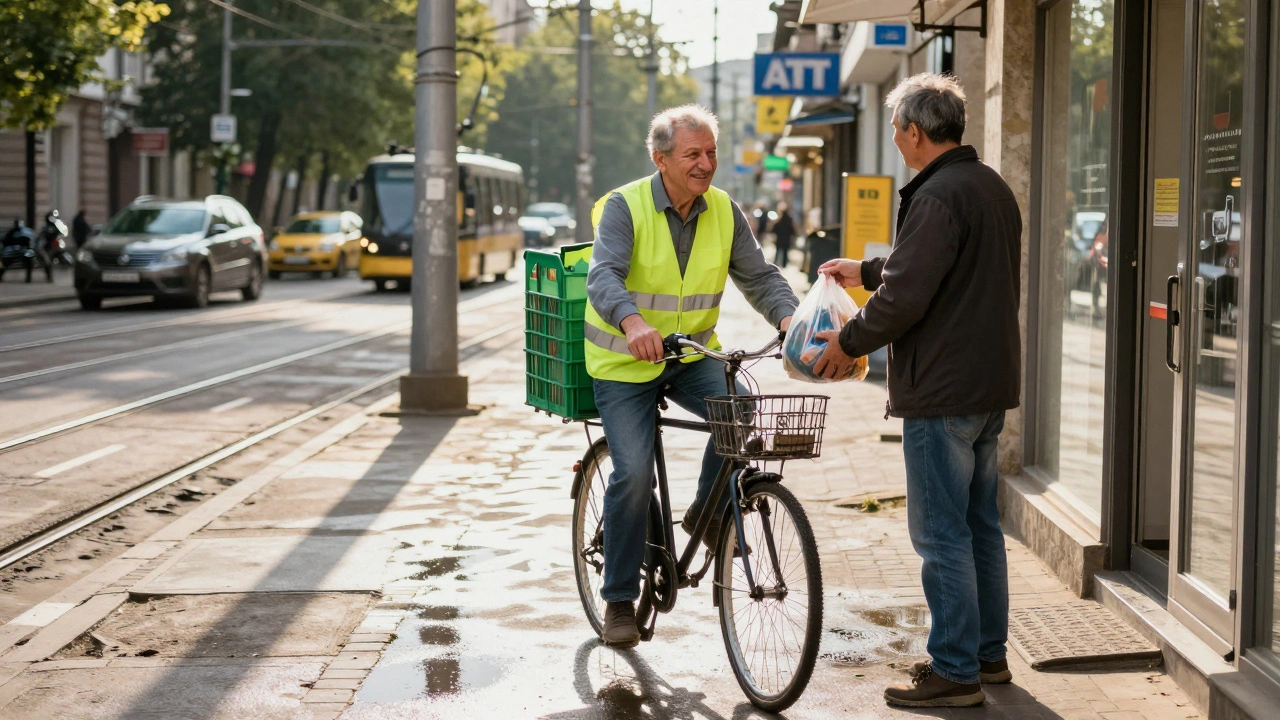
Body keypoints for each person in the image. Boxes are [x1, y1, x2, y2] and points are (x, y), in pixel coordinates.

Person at [813, 73, 1022, 708]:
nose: (897, 141)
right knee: (981, 527)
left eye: (898, 129)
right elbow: (937, 269)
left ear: (915, 131)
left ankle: (954, 670)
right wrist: (866, 269)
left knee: (941, 536)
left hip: (942, 391)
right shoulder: (988, 187)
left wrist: (845, 345)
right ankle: (987, 657)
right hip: (986, 386)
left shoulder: (936, 195)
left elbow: (908, 295)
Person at [585, 104, 798, 648]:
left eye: (710, 153)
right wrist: (632, 322)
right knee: (634, 474)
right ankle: (617, 600)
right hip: (625, 363)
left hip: (689, 355)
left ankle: (707, 511)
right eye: (692, 154)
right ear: (661, 159)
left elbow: (761, 277)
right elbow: (604, 274)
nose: (706, 164)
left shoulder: (723, 210)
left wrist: (793, 319)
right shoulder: (624, 206)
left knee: (742, 407)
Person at [771, 201, 796, 268]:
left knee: (778, 251)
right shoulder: (789, 220)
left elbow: (773, 229)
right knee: (785, 252)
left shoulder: (778, 220)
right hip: (786, 238)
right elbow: (792, 230)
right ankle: (784, 264)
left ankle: (776, 263)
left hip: (780, 238)